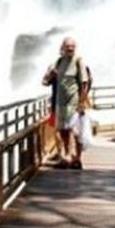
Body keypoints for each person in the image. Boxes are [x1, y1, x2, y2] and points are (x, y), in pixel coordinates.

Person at [42, 37, 89, 169]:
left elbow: (84, 83)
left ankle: (78, 157)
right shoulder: (59, 61)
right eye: (67, 46)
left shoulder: (78, 61)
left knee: (76, 131)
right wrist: (50, 74)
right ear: (62, 47)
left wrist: (82, 102)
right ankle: (68, 155)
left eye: (72, 46)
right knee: (63, 130)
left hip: (73, 103)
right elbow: (46, 81)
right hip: (60, 103)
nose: (70, 49)